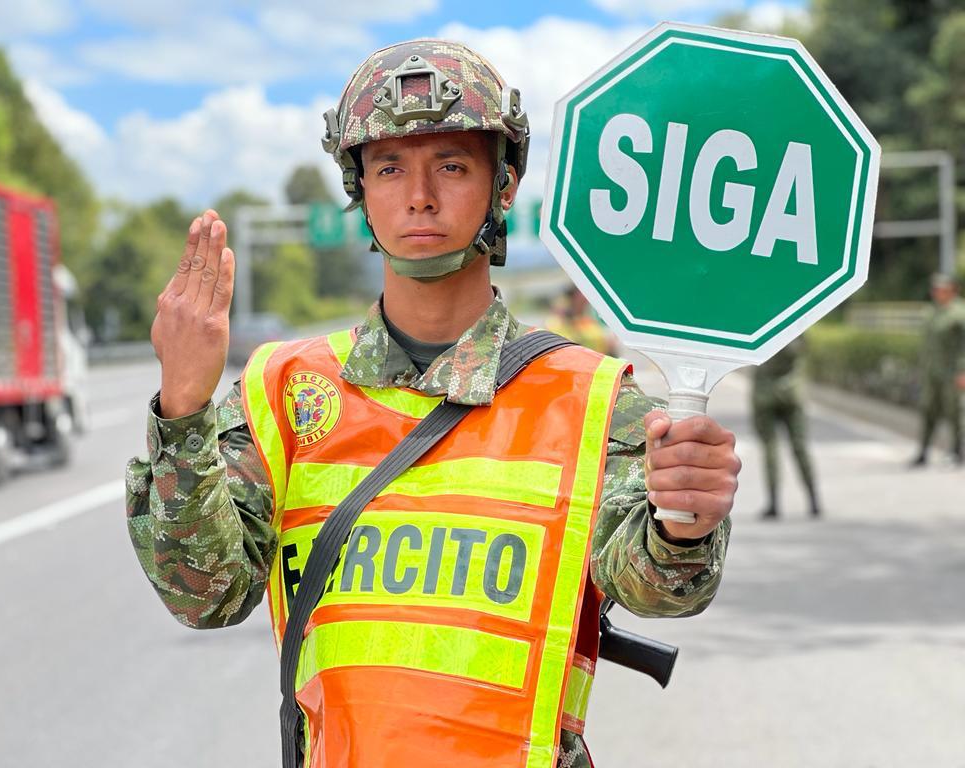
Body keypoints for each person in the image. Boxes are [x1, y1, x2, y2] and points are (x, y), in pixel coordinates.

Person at [125, 39, 741, 768]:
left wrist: (685, 522)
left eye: (450, 165)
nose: (418, 195)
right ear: (360, 190)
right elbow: (205, 596)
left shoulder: (590, 396)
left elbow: (659, 590)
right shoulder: (287, 389)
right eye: (389, 168)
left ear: (503, 184)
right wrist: (185, 408)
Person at [751, 337, 821, 519]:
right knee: (800, 446)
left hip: (764, 393)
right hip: (792, 392)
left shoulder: (760, 325)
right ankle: (813, 500)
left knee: (770, 448)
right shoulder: (794, 321)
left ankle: (774, 502)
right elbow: (799, 349)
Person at [910, 273, 965, 467]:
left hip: (952, 373)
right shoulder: (931, 311)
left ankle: (958, 452)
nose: (937, 292)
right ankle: (923, 451)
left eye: (942, 289)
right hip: (932, 372)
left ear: (952, 290)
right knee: (927, 411)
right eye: (935, 289)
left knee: (954, 413)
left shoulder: (959, 313)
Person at [544, 286, 621, 356]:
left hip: (599, 361)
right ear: (573, 297)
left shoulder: (588, 318)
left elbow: (602, 340)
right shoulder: (557, 322)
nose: (586, 299)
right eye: (582, 296)